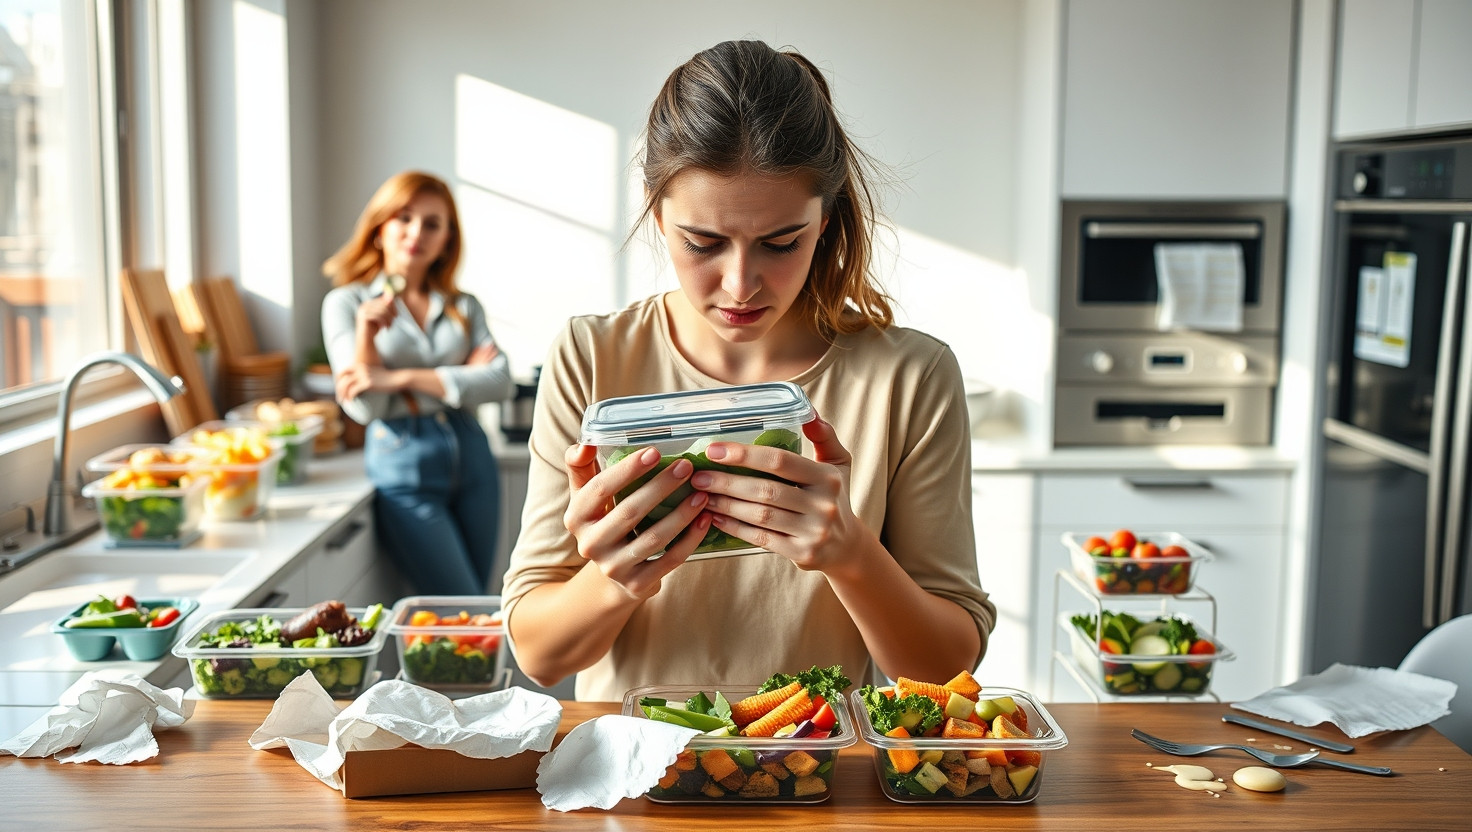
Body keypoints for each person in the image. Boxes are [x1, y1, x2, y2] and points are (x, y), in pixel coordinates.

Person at [501, 41, 995, 701]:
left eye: (781, 243)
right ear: (656, 210)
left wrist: (849, 553)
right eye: (703, 242)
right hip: (626, 761)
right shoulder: (591, 355)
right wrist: (614, 577)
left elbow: (945, 671)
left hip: (815, 759)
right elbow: (539, 655)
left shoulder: (911, 376)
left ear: (826, 219)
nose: (740, 285)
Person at [321, 171, 512, 596]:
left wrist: (397, 378)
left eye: (432, 223)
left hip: (474, 455)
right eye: (404, 218)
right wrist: (367, 336)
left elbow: (500, 382)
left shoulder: (464, 306)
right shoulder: (347, 303)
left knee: (479, 603)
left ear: (447, 239)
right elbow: (364, 407)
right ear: (379, 228)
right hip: (403, 462)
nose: (416, 233)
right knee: (461, 603)